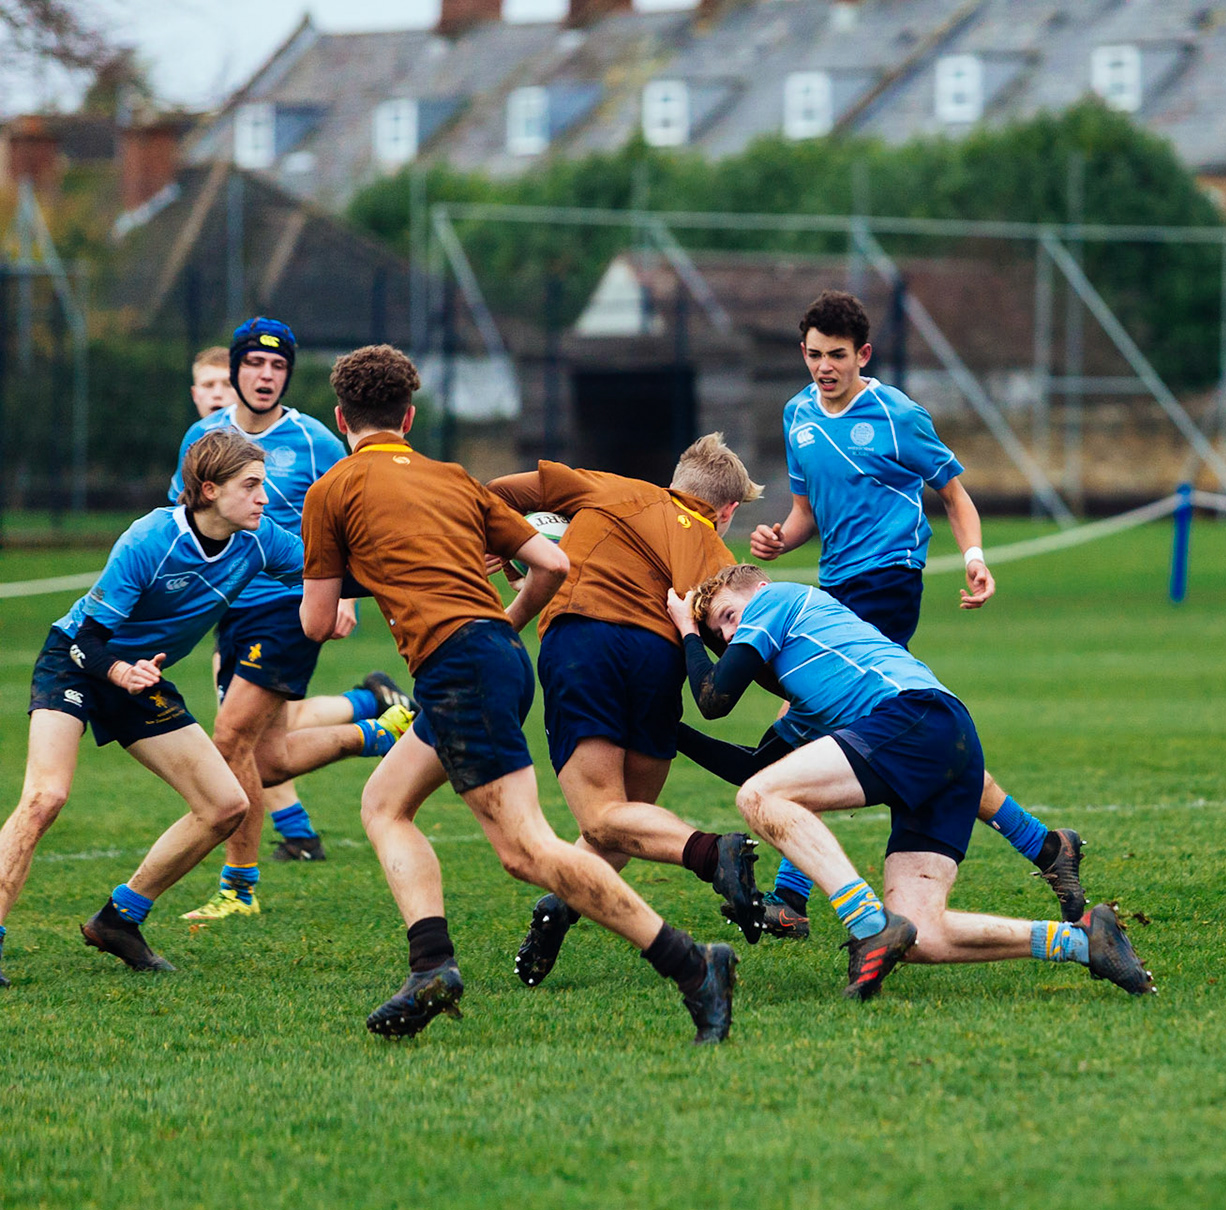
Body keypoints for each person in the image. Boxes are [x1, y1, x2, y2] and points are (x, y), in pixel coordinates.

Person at [299, 344, 736, 1042]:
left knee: (526, 850)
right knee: (384, 802)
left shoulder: (331, 490)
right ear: (409, 417)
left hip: (457, 665)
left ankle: (691, 963)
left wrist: (359, 569)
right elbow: (552, 562)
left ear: (339, 418)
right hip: (497, 654)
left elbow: (318, 622)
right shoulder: (453, 479)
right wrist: (504, 622)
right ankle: (431, 965)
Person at [743, 290, 1085, 937]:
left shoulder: (896, 415)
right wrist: (778, 540)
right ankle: (1044, 844)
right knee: (886, 737)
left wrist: (975, 558)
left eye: (836, 355)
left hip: (888, 582)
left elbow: (955, 495)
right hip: (832, 589)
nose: (824, 367)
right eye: (814, 355)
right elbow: (805, 513)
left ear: (863, 354)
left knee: (811, 719)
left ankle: (790, 898)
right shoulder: (797, 415)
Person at [673, 563, 1154, 1002]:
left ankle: (867, 923)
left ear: (759, 589)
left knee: (759, 798)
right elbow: (754, 764)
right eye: (720, 632)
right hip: (946, 739)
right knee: (920, 934)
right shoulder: (811, 697)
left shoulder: (775, 598)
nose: (731, 634)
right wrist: (670, 732)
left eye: (730, 616)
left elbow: (715, 699)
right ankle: (1083, 941)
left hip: (916, 717)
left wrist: (689, 630)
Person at [0, 432, 308, 983]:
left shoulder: (260, 540)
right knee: (46, 796)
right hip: (77, 662)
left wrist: (428, 568)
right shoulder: (150, 538)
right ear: (209, 490)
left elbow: (332, 572)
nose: (265, 497)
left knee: (225, 806)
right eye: (251, 486)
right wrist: (119, 671)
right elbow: (87, 638)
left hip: (139, 678)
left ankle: (119, 919)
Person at [484, 436, 767, 986]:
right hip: (658, 658)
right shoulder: (717, 557)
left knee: (603, 819)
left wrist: (504, 538)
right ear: (727, 510)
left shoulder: (611, 487)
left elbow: (497, 492)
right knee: (628, 820)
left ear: (676, 478)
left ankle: (714, 854)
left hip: (584, 638)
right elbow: (740, 650)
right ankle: (559, 908)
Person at [173, 325, 417, 925]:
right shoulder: (203, 437)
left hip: (288, 603)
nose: (265, 375)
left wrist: (346, 597)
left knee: (229, 738)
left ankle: (239, 887)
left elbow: (356, 512)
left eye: (277, 366)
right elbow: (184, 516)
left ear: (288, 375)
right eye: (254, 363)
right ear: (235, 369)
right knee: (268, 759)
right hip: (229, 609)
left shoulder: (314, 439)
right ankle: (379, 732)